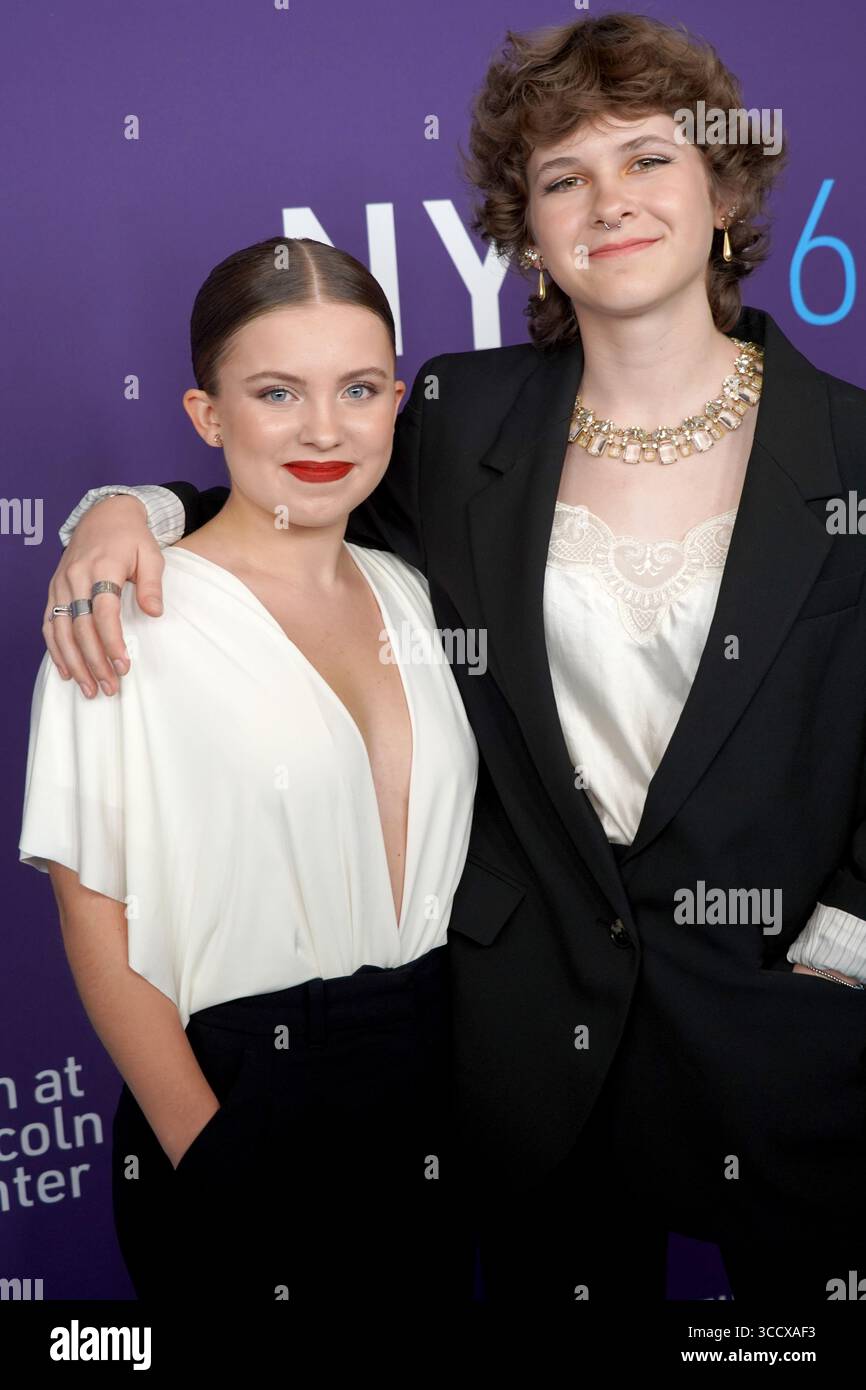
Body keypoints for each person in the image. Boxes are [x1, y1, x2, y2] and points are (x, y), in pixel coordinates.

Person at [35, 14, 866, 1302]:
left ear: (723, 191)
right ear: (525, 230)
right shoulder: (456, 416)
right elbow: (297, 506)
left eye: (647, 159)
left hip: (783, 1039)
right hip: (521, 1051)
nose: (608, 202)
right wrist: (129, 509)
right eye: (560, 178)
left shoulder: (854, 452)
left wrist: (844, 945)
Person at [19, 235, 479, 1304]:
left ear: (394, 402)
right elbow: (94, 911)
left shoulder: (413, 592)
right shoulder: (126, 608)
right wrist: (211, 1147)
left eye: (358, 389)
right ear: (207, 416)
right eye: (277, 392)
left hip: (431, 1089)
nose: (325, 429)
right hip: (238, 1090)